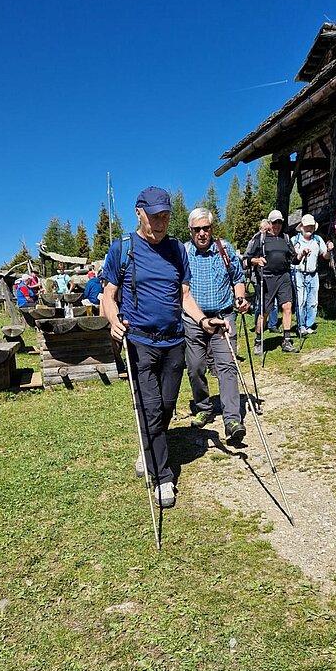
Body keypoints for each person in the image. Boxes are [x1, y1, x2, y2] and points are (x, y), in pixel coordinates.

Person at [101, 186, 227, 508]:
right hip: (140, 341)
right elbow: (108, 296)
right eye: (155, 216)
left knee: (166, 406)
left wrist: (203, 321)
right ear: (139, 213)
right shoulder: (123, 249)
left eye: (166, 216)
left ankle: (148, 447)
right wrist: (114, 320)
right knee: (151, 409)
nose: (160, 222)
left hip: (174, 342)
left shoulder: (176, 250)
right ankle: (162, 478)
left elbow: (185, 296)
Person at [183, 207, 249, 442]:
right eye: (197, 229)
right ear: (190, 231)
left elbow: (238, 277)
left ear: (212, 228)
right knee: (195, 366)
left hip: (223, 317)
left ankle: (232, 419)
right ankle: (203, 408)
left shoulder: (225, 249)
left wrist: (240, 298)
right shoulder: (185, 252)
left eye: (206, 228)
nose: (202, 233)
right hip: (193, 320)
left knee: (227, 366)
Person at [245, 209, 306, 354]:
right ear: (269, 223)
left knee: (287, 307)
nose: (278, 225)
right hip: (267, 278)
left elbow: (294, 260)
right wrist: (256, 260)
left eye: (280, 222)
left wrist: (301, 254)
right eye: (275, 222)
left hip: (284, 277)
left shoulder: (285, 238)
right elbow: (246, 259)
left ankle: (286, 341)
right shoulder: (261, 239)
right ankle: (258, 341)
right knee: (265, 312)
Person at [291, 214, 334, 334]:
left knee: (313, 301)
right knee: (301, 300)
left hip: (313, 274)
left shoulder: (317, 240)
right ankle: (301, 326)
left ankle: (309, 325)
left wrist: (329, 250)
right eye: (307, 226)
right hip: (298, 273)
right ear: (302, 227)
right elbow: (291, 257)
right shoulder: (295, 240)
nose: (309, 228)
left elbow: (325, 256)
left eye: (311, 226)